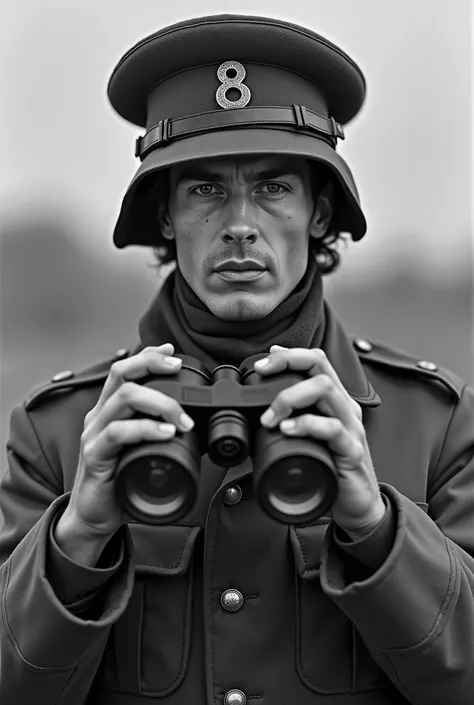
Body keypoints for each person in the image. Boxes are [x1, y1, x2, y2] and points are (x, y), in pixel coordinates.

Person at [0, 13, 473, 705]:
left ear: (320, 213)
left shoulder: (432, 425)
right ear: (164, 215)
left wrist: (376, 526)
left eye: (276, 187)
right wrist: (78, 537)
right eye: (205, 189)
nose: (241, 223)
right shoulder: (60, 430)